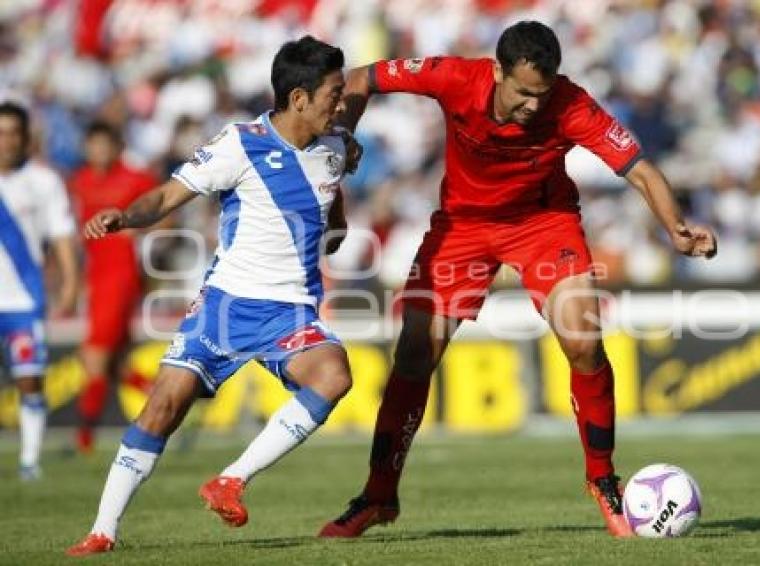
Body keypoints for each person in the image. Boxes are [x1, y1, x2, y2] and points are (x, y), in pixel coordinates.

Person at [318, 21, 717, 539]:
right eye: (524, 92)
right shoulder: (453, 76)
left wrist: (676, 228)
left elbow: (637, 167)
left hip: (543, 224)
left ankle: (603, 481)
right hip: (461, 228)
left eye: (542, 94)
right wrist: (342, 137)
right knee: (414, 356)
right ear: (499, 71)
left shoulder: (571, 103)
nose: (533, 105)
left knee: (585, 343)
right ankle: (377, 497)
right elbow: (360, 78)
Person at [67, 35, 356, 556]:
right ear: (298, 98)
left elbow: (335, 233)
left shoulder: (335, 150)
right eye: (335, 93)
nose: (341, 103)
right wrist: (125, 216)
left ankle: (231, 480)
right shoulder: (238, 144)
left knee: (334, 374)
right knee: (163, 407)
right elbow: (167, 195)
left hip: (289, 312)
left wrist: (336, 205)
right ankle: (102, 531)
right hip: (225, 306)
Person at [69, 121, 159, 454]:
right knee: (115, 361)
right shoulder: (80, 182)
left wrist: (137, 229)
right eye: (94, 145)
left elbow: (165, 213)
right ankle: (159, 392)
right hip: (95, 275)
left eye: (106, 145)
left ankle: (84, 440)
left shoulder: (135, 178)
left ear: (117, 146)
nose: (100, 152)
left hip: (120, 277)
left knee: (93, 356)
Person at [0, 100, 78, 480]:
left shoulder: (44, 181)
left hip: (23, 301)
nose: (7, 141)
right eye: (1, 133)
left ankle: (30, 460)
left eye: (14, 133)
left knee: (29, 378)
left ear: (26, 138)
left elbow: (62, 236)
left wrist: (70, 283)